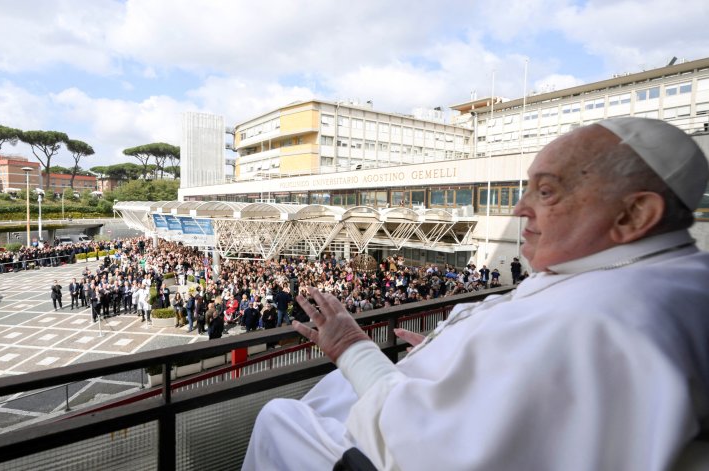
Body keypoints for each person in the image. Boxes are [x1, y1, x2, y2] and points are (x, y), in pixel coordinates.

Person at [243, 117, 709, 470]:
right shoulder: (664, 274)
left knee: (280, 418)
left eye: (545, 192)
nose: (522, 207)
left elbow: (429, 448)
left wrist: (350, 346)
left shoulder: (598, 317)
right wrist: (460, 359)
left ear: (634, 214)